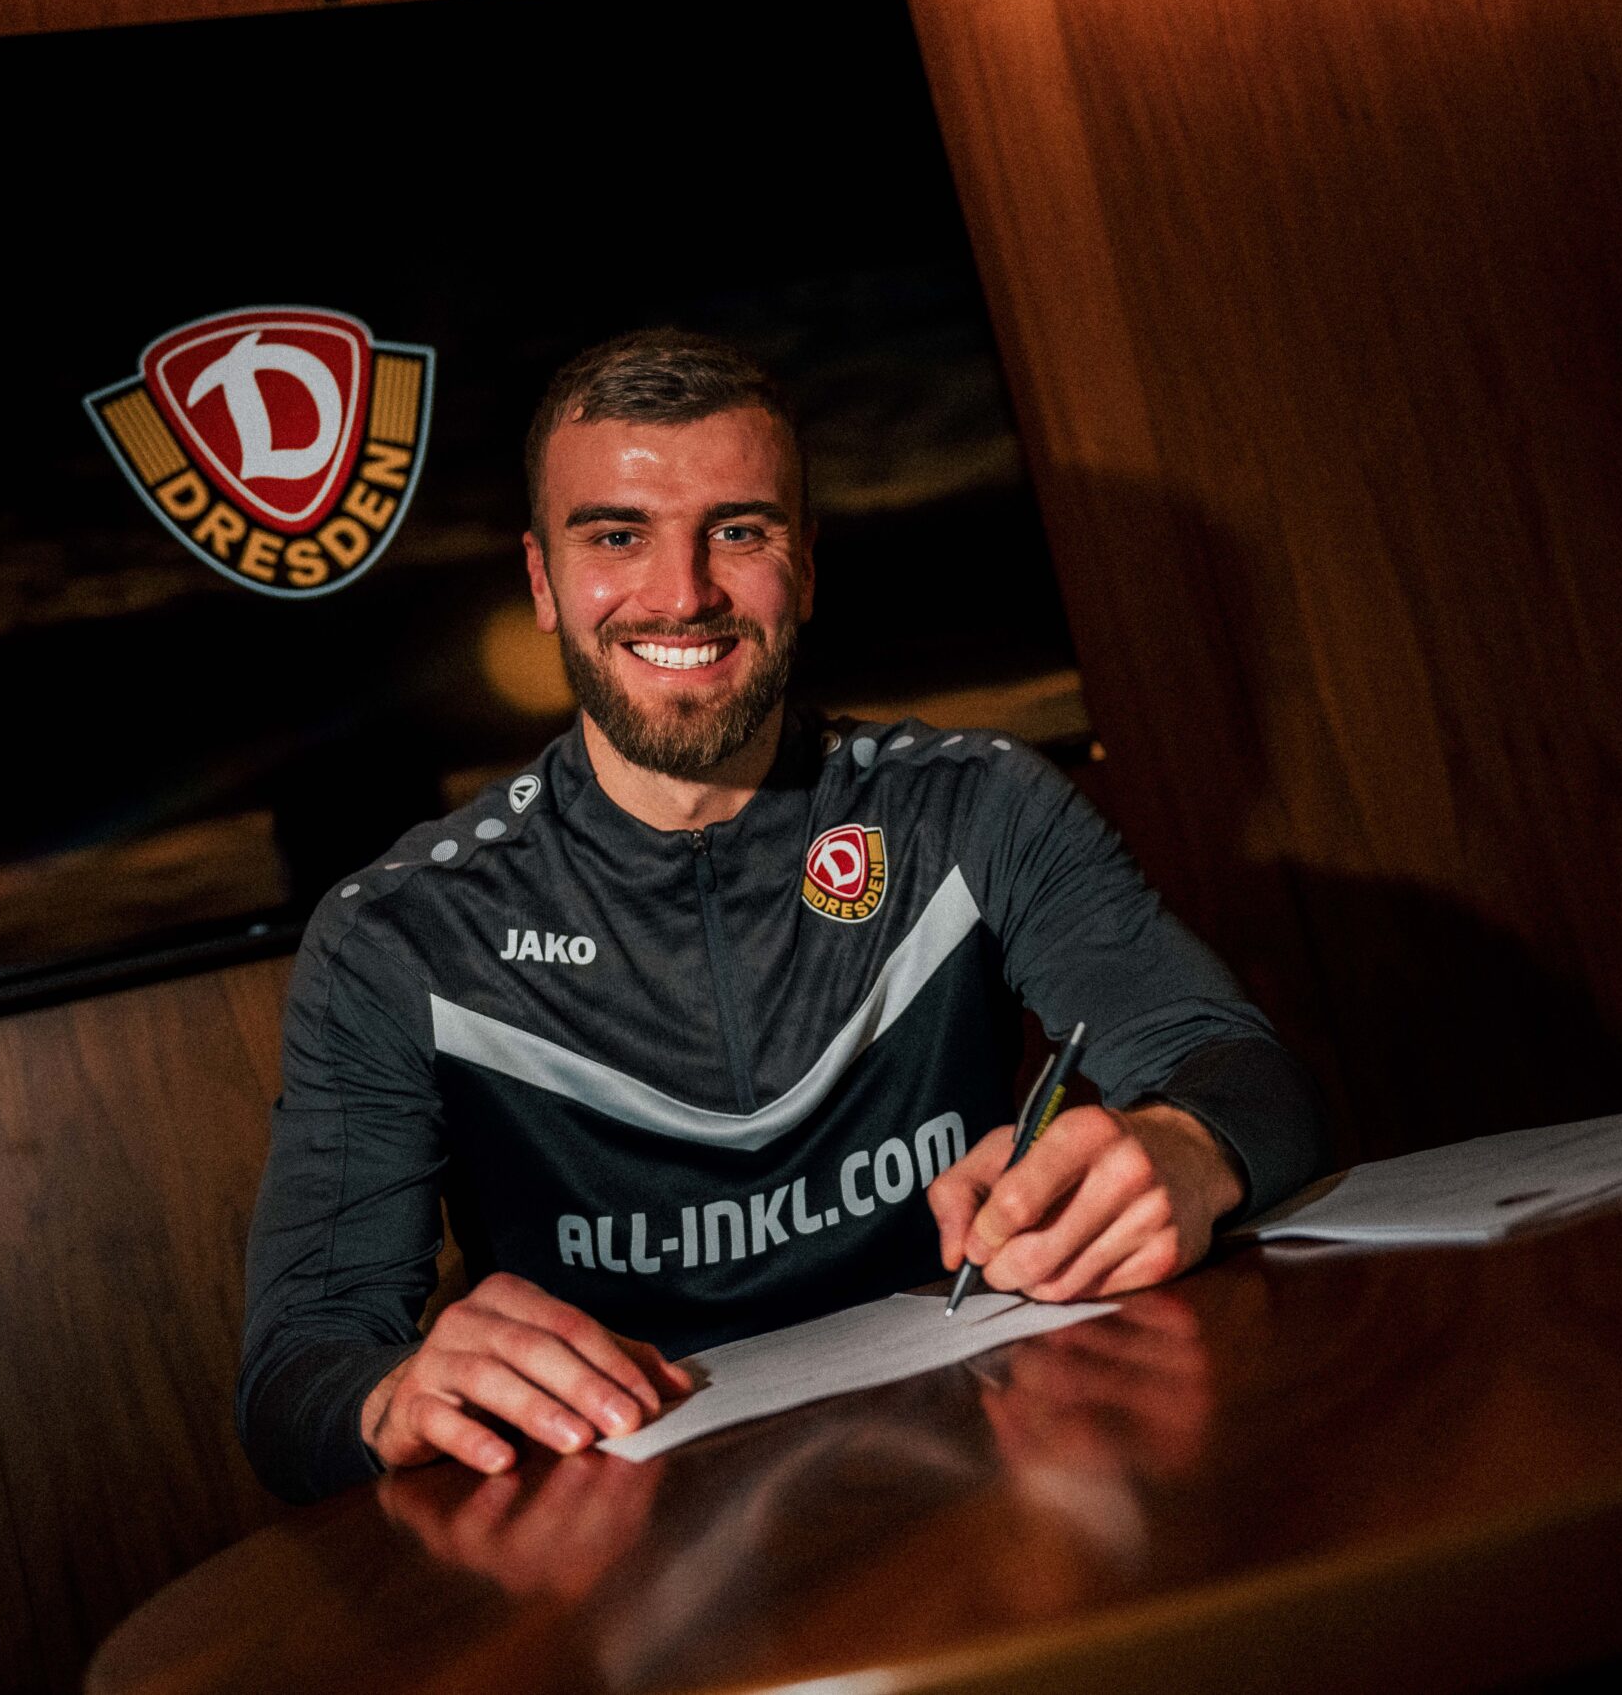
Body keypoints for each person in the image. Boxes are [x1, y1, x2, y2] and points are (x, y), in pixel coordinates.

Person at [237, 330, 1326, 1503]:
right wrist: (390, 1396)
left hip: (1008, 1473)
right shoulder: (397, 937)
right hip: (633, 1546)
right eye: (616, 535)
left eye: (738, 531)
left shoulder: (977, 808)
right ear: (544, 583)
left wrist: (1187, 1148)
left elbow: (1236, 1070)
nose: (682, 593)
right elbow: (300, 1364)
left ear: (803, 568)